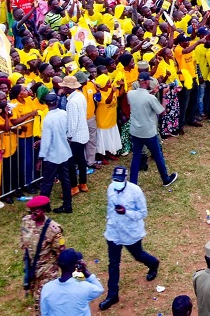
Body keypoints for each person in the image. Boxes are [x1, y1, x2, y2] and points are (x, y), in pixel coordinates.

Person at [99, 166, 160, 311]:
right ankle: (113, 295)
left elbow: (143, 213)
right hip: (113, 232)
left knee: (138, 255)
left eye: (119, 180)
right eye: (115, 180)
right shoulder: (110, 188)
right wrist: (109, 221)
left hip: (130, 232)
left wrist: (126, 212)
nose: (117, 183)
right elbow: (109, 207)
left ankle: (153, 264)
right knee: (113, 264)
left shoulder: (135, 191)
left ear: (125, 179)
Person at [127, 71, 178, 186]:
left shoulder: (130, 93)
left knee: (136, 157)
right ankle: (166, 179)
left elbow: (139, 99)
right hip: (149, 132)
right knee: (158, 155)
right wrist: (164, 95)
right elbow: (162, 112)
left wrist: (151, 92)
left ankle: (133, 183)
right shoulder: (150, 98)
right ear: (146, 81)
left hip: (135, 131)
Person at [21, 195, 65, 312]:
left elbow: (61, 252)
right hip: (31, 267)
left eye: (35, 212)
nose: (32, 215)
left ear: (43, 210)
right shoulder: (26, 221)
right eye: (31, 212)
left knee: (41, 300)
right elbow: (24, 240)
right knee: (33, 292)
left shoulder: (53, 229)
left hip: (47, 270)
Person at [39, 248, 104, 316]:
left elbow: (44, 313)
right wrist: (85, 272)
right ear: (76, 265)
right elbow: (100, 289)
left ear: (58, 265)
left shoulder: (47, 288)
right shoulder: (84, 287)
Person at [38, 93, 72, 214]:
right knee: (65, 180)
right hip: (64, 152)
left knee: (47, 181)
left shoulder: (47, 119)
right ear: (57, 102)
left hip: (52, 155)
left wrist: (40, 157)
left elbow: (46, 141)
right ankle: (68, 205)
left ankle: (43, 206)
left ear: (46, 104)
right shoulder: (63, 113)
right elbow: (68, 130)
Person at [61, 75, 90, 196]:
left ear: (68, 88)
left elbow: (72, 123)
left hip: (76, 136)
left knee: (71, 162)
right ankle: (83, 183)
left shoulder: (72, 102)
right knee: (81, 159)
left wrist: (68, 137)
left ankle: (73, 186)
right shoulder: (80, 95)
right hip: (83, 132)